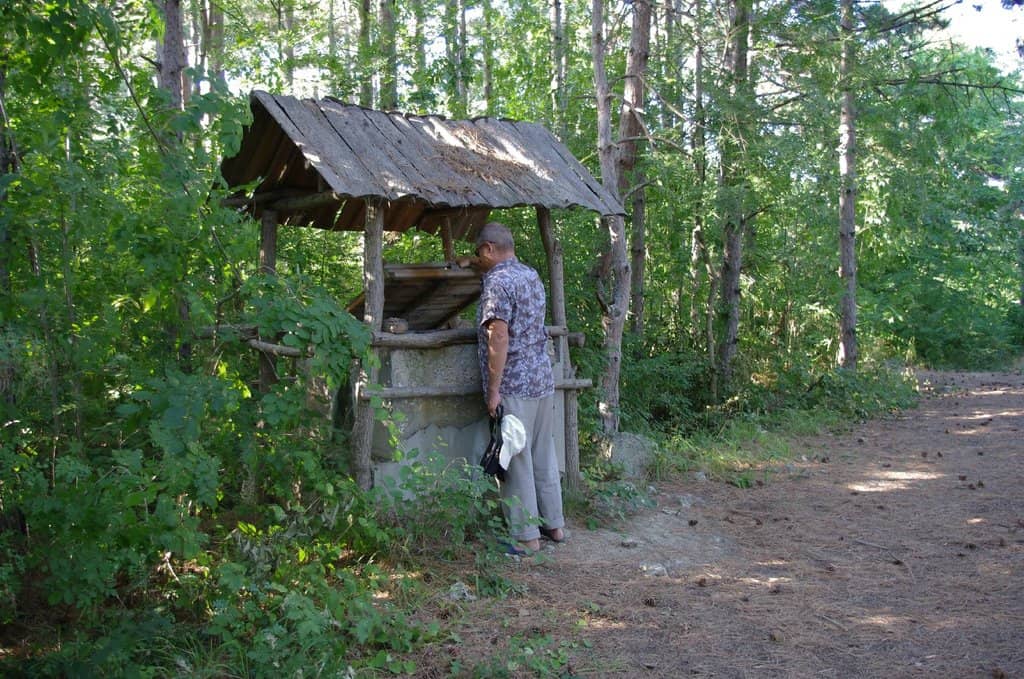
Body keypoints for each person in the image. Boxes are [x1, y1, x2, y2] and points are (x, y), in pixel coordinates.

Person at [472, 221, 565, 553]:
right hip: (541, 380)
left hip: (514, 384)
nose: (477, 260)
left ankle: (526, 539)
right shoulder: (531, 275)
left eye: (478, 254)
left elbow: (499, 335)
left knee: (515, 459)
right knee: (544, 454)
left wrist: (493, 390)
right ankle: (554, 526)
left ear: (489, 249)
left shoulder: (497, 281)